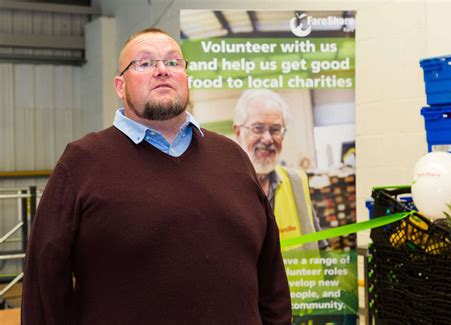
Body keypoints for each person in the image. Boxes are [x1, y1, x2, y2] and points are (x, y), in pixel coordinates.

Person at [21, 28, 291, 324]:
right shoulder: (82, 162)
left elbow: (271, 277)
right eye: (145, 63)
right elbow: (44, 278)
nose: (162, 70)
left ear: (186, 77)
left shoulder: (233, 157)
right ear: (120, 86)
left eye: (173, 62)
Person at [233, 89, 328, 251]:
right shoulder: (221, 186)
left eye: (275, 130)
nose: (268, 139)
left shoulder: (296, 181)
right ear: (238, 132)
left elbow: (320, 246)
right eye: (258, 128)